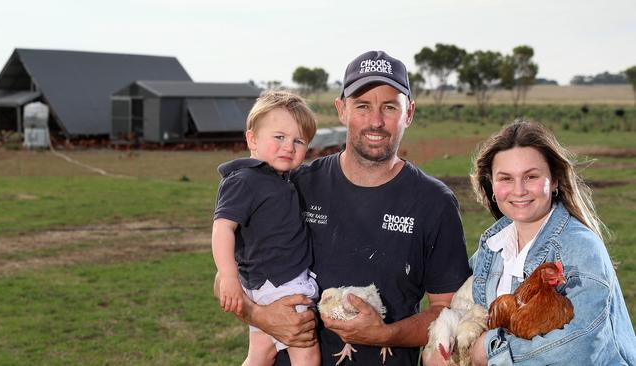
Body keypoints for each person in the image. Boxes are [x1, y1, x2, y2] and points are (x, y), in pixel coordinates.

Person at [215, 50, 471, 365]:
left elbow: (450, 313)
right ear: (342, 110)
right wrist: (261, 316)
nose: (376, 121)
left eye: (389, 107)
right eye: (362, 106)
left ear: (409, 113)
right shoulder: (294, 185)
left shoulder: (434, 202)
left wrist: (384, 335)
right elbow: (229, 276)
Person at [462, 121, 636, 365]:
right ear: (491, 184)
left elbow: (579, 348)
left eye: (531, 176)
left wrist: (491, 351)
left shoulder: (581, 247)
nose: (519, 190)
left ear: (554, 181)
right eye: (506, 178)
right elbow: (465, 308)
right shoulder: (493, 246)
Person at [212, 90, 320, 365]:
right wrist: (227, 276)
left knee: (262, 353)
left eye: (299, 141)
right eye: (279, 137)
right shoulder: (245, 180)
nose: (289, 147)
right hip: (280, 281)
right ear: (252, 139)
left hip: (266, 282)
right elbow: (223, 227)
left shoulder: (278, 179)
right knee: (305, 350)